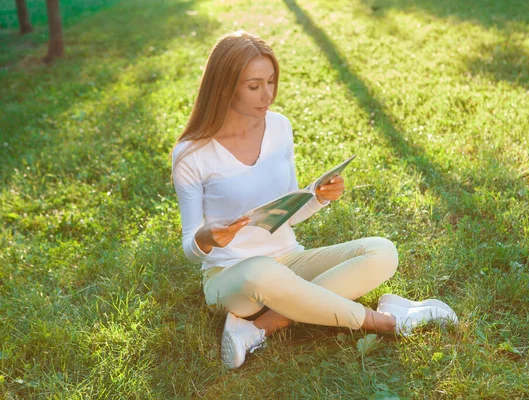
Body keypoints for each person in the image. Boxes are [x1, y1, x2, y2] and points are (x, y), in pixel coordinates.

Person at [171, 30, 458, 369]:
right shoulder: (191, 154)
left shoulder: (278, 127)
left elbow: (286, 215)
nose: (268, 95)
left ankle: (262, 326)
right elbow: (191, 244)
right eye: (254, 86)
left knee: (382, 251)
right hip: (231, 278)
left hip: (289, 260)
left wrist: (317, 197)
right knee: (262, 272)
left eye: (271, 82)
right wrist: (207, 238)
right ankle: (388, 322)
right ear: (223, 87)